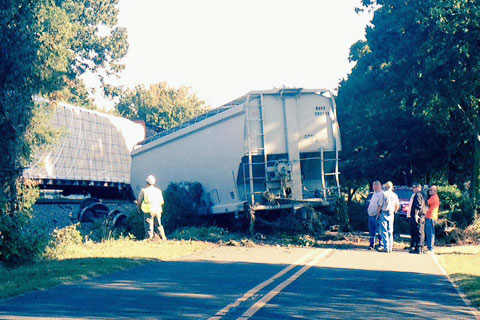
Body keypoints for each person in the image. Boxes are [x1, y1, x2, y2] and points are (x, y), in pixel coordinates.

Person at [137, 175, 167, 241]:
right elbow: (162, 202)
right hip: (158, 210)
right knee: (159, 225)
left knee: (149, 226)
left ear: (147, 183)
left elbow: (139, 201)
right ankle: (163, 238)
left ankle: (148, 239)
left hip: (148, 211)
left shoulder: (144, 191)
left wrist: (139, 209)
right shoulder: (158, 191)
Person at [378, 181, 400, 253]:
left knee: (384, 230)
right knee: (390, 230)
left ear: (386, 187)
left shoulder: (383, 194)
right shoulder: (395, 195)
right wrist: (395, 211)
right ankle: (390, 247)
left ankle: (386, 247)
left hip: (384, 212)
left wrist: (378, 213)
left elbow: (380, 204)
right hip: (391, 213)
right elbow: (397, 205)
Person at [408, 183, 427, 254]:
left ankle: (418, 248)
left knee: (417, 231)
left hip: (418, 215)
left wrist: (416, 215)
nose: (413, 189)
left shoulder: (418, 195)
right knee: (421, 231)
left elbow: (418, 205)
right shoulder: (424, 194)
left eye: (414, 187)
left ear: (418, 187)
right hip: (422, 215)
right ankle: (420, 247)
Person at [367, 181, 383, 250]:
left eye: (374, 186)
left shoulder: (381, 194)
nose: (373, 187)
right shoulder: (374, 194)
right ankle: (371, 244)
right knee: (371, 231)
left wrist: (378, 214)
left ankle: (381, 244)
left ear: (377, 186)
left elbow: (380, 205)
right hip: (371, 215)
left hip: (376, 215)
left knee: (379, 230)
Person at [425, 185, 440, 253]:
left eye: (431, 190)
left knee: (430, 233)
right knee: (429, 232)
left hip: (431, 216)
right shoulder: (432, 197)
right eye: (429, 190)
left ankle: (431, 248)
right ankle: (429, 247)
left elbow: (426, 203)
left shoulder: (434, 197)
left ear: (435, 191)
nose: (430, 191)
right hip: (429, 216)